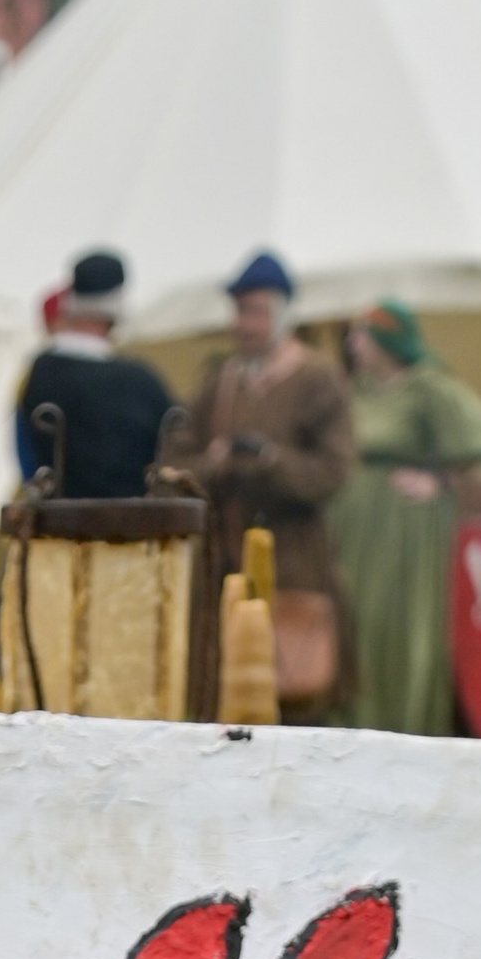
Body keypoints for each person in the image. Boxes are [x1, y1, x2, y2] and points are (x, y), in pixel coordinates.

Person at [172, 251, 356, 719]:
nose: (244, 324)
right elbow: (176, 463)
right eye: (239, 311)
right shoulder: (221, 381)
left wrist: (271, 462)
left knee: (296, 695)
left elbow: (334, 471)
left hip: (294, 563)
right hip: (226, 565)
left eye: (255, 311)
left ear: (281, 315)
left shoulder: (319, 379)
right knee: (223, 697)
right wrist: (215, 461)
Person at [332, 302, 481, 735]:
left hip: (405, 529)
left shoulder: (427, 387)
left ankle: (403, 724)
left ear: (387, 340)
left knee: (400, 626)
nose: (352, 344)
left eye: (361, 334)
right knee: (355, 621)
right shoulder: (355, 391)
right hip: (354, 526)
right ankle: (352, 723)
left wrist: (439, 479)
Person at [14, 253, 175, 502]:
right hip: (132, 530)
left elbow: (27, 454)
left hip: (53, 529)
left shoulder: (39, 373)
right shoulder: (141, 382)